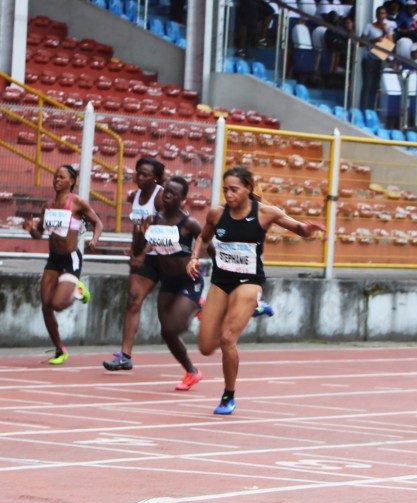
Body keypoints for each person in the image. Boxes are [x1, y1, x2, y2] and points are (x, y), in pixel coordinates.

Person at [187, 166, 325, 415]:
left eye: (234, 190)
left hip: (249, 282)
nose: (228, 195)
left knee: (228, 338)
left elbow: (297, 228)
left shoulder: (265, 213)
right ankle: (255, 308)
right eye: (225, 190)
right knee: (206, 347)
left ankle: (228, 396)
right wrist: (194, 257)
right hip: (221, 282)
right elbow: (204, 238)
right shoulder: (217, 213)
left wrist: (308, 229)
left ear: (249, 189)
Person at [23, 165, 103, 365]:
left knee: (58, 304)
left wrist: (94, 240)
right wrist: (30, 229)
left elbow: (98, 223)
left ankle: (78, 291)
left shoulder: (77, 203)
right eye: (55, 176)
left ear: (71, 181)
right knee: (46, 305)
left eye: (61, 177)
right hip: (53, 259)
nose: (57, 180)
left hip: (70, 258)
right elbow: (39, 234)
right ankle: (60, 350)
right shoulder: (48, 206)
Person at [103, 156, 166, 372]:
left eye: (145, 175)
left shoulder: (161, 198)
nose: (139, 177)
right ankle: (125, 355)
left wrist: (145, 250)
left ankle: (199, 304)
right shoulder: (135, 196)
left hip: (166, 256)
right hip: (143, 257)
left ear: (156, 178)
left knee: (172, 308)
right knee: (133, 300)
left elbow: (168, 228)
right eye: (138, 172)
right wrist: (134, 250)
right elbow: (138, 228)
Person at [144, 176, 207, 390]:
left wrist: (197, 257)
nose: (167, 195)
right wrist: (138, 236)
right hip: (168, 281)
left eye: (173, 193)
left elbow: (208, 244)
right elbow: (140, 249)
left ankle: (197, 304)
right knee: (166, 332)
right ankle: (192, 372)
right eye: (166, 191)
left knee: (175, 326)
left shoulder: (189, 223)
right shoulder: (154, 220)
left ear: (183, 199)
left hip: (189, 280)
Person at [360, 5, 396, 112]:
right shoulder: (369, 26)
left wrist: (385, 29)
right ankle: (363, 109)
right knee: (367, 85)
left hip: (380, 59)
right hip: (369, 58)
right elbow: (361, 42)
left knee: (375, 86)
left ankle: (370, 110)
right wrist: (374, 40)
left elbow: (391, 42)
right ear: (376, 15)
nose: (381, 16)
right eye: (380, 13)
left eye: (383, 13)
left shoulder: (389, 27)